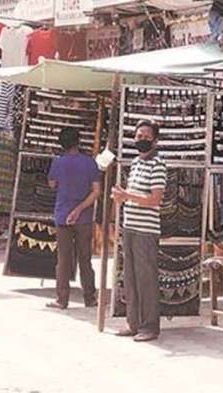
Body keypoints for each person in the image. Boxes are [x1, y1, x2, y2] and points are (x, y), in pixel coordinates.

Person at [111, 120, 166, 342]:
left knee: (146, 279)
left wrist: (127, 196)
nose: (141, 140)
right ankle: (132, 323)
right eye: (139, 136)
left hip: (146, 230)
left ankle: (149, 326)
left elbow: (155, 199)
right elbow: (133, 195)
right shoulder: (135, 163)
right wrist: (121, 197)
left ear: (155, 141)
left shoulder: (158, 165)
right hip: (130, 227)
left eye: (146, 137)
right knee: (131, 277)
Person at [46, 127, 102, 310]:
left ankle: (62, 300)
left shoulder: (58, 162)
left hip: (63, 216)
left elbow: (52, 184)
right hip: (84, 218)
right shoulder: (90, 163)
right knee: (85, 259)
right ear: (78, 141)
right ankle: (90, 298)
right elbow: (96, 192)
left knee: (63, 260)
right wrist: (79, 210)